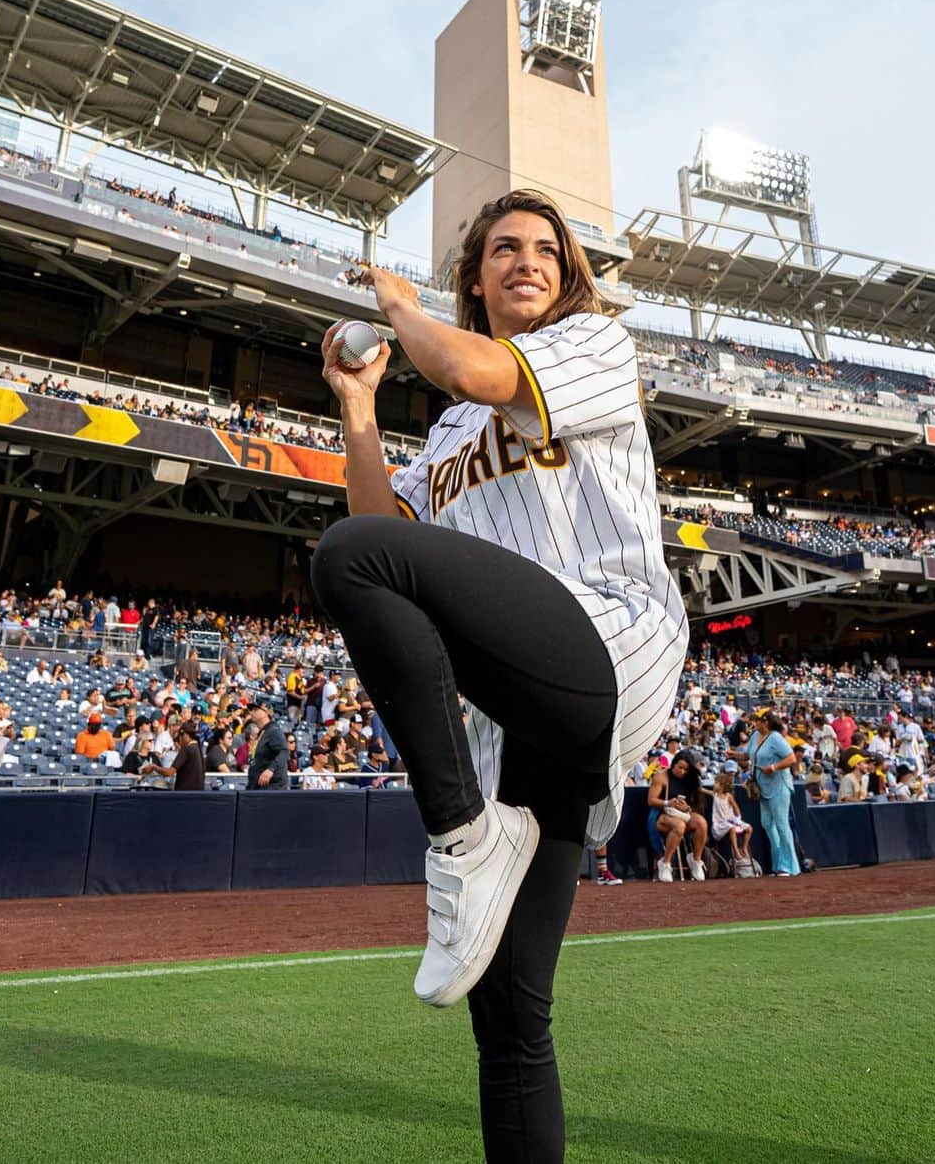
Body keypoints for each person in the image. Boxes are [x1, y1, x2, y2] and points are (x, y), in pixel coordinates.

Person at [309, 189, 688, 1161]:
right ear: (476, 275)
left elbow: (476, 370)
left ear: (567, 277)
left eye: (547, 251)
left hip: (610, 639)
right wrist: (359, 408)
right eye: (505, 249)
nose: (528, 261)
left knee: (345, 557)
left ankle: (463, 836)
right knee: (511, 1019)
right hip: (515, 723)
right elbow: (386, 537)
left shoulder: (593, 345)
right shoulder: (441, 440)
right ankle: (482, 834)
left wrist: (399, 306)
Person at [735, 711, 800, 876]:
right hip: (762, 786)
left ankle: (789, 866)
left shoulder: (776, 738)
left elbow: (791, 758)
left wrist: (773, 767)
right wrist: (734, 754)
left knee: (781, 824)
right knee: (767, 824)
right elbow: (748, 755)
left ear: (765, 722)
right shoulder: (756, 735)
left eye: (757, 720)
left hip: (778, 785)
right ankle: (778, 864)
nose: (754, 723)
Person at [647, 751, 708, 881]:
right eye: (680, 767)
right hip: (662, 816)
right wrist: (668, 802)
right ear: (673, 764)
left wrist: (686, 808)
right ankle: (665, 863)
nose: (682, 771)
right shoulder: (661, 776)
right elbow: (651, 800)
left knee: (701, 823)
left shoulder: (690, 779)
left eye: (686, 769)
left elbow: (695, 807)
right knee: (679, 826)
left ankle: (696, 860)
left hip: (683, 815)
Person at [139, 720, 205, 789]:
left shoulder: (186, 749)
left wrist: (154, 767)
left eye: (179, 736)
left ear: (185, 735)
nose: (179, 740)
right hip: (198, 794)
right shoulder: (198, 748)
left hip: (185, 794)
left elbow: (170, 772)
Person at [710, 770, 753, 864]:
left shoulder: (728, 796)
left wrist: (737, 819)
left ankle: (744, 847)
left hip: (731, 820)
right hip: (720, 824)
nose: (714, 784)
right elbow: (703, 790)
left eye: (716, 782)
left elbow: (736, 808)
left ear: (722, 785)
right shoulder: (715, 795)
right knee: (732, 829)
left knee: (749, 828)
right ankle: (736, 852)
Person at [246, 705, 289, 790]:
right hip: (257, 786)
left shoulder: (273, 730)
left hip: (271, 787)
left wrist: (270, 770)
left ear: (266, 712)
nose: (251, 712)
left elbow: (284, 751)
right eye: (251, 710)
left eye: (255, 709)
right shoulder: (263, 732)